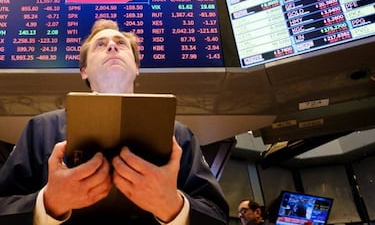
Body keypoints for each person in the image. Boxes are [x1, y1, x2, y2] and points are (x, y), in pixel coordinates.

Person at [0, 19, 229, 224]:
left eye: (121, 43)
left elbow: (217, 214)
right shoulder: (39, 129)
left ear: (137, 67)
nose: (112, 46)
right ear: (83, 71)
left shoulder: (179, 135)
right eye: (100, 44)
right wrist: (48, 203)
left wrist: (174, 207)